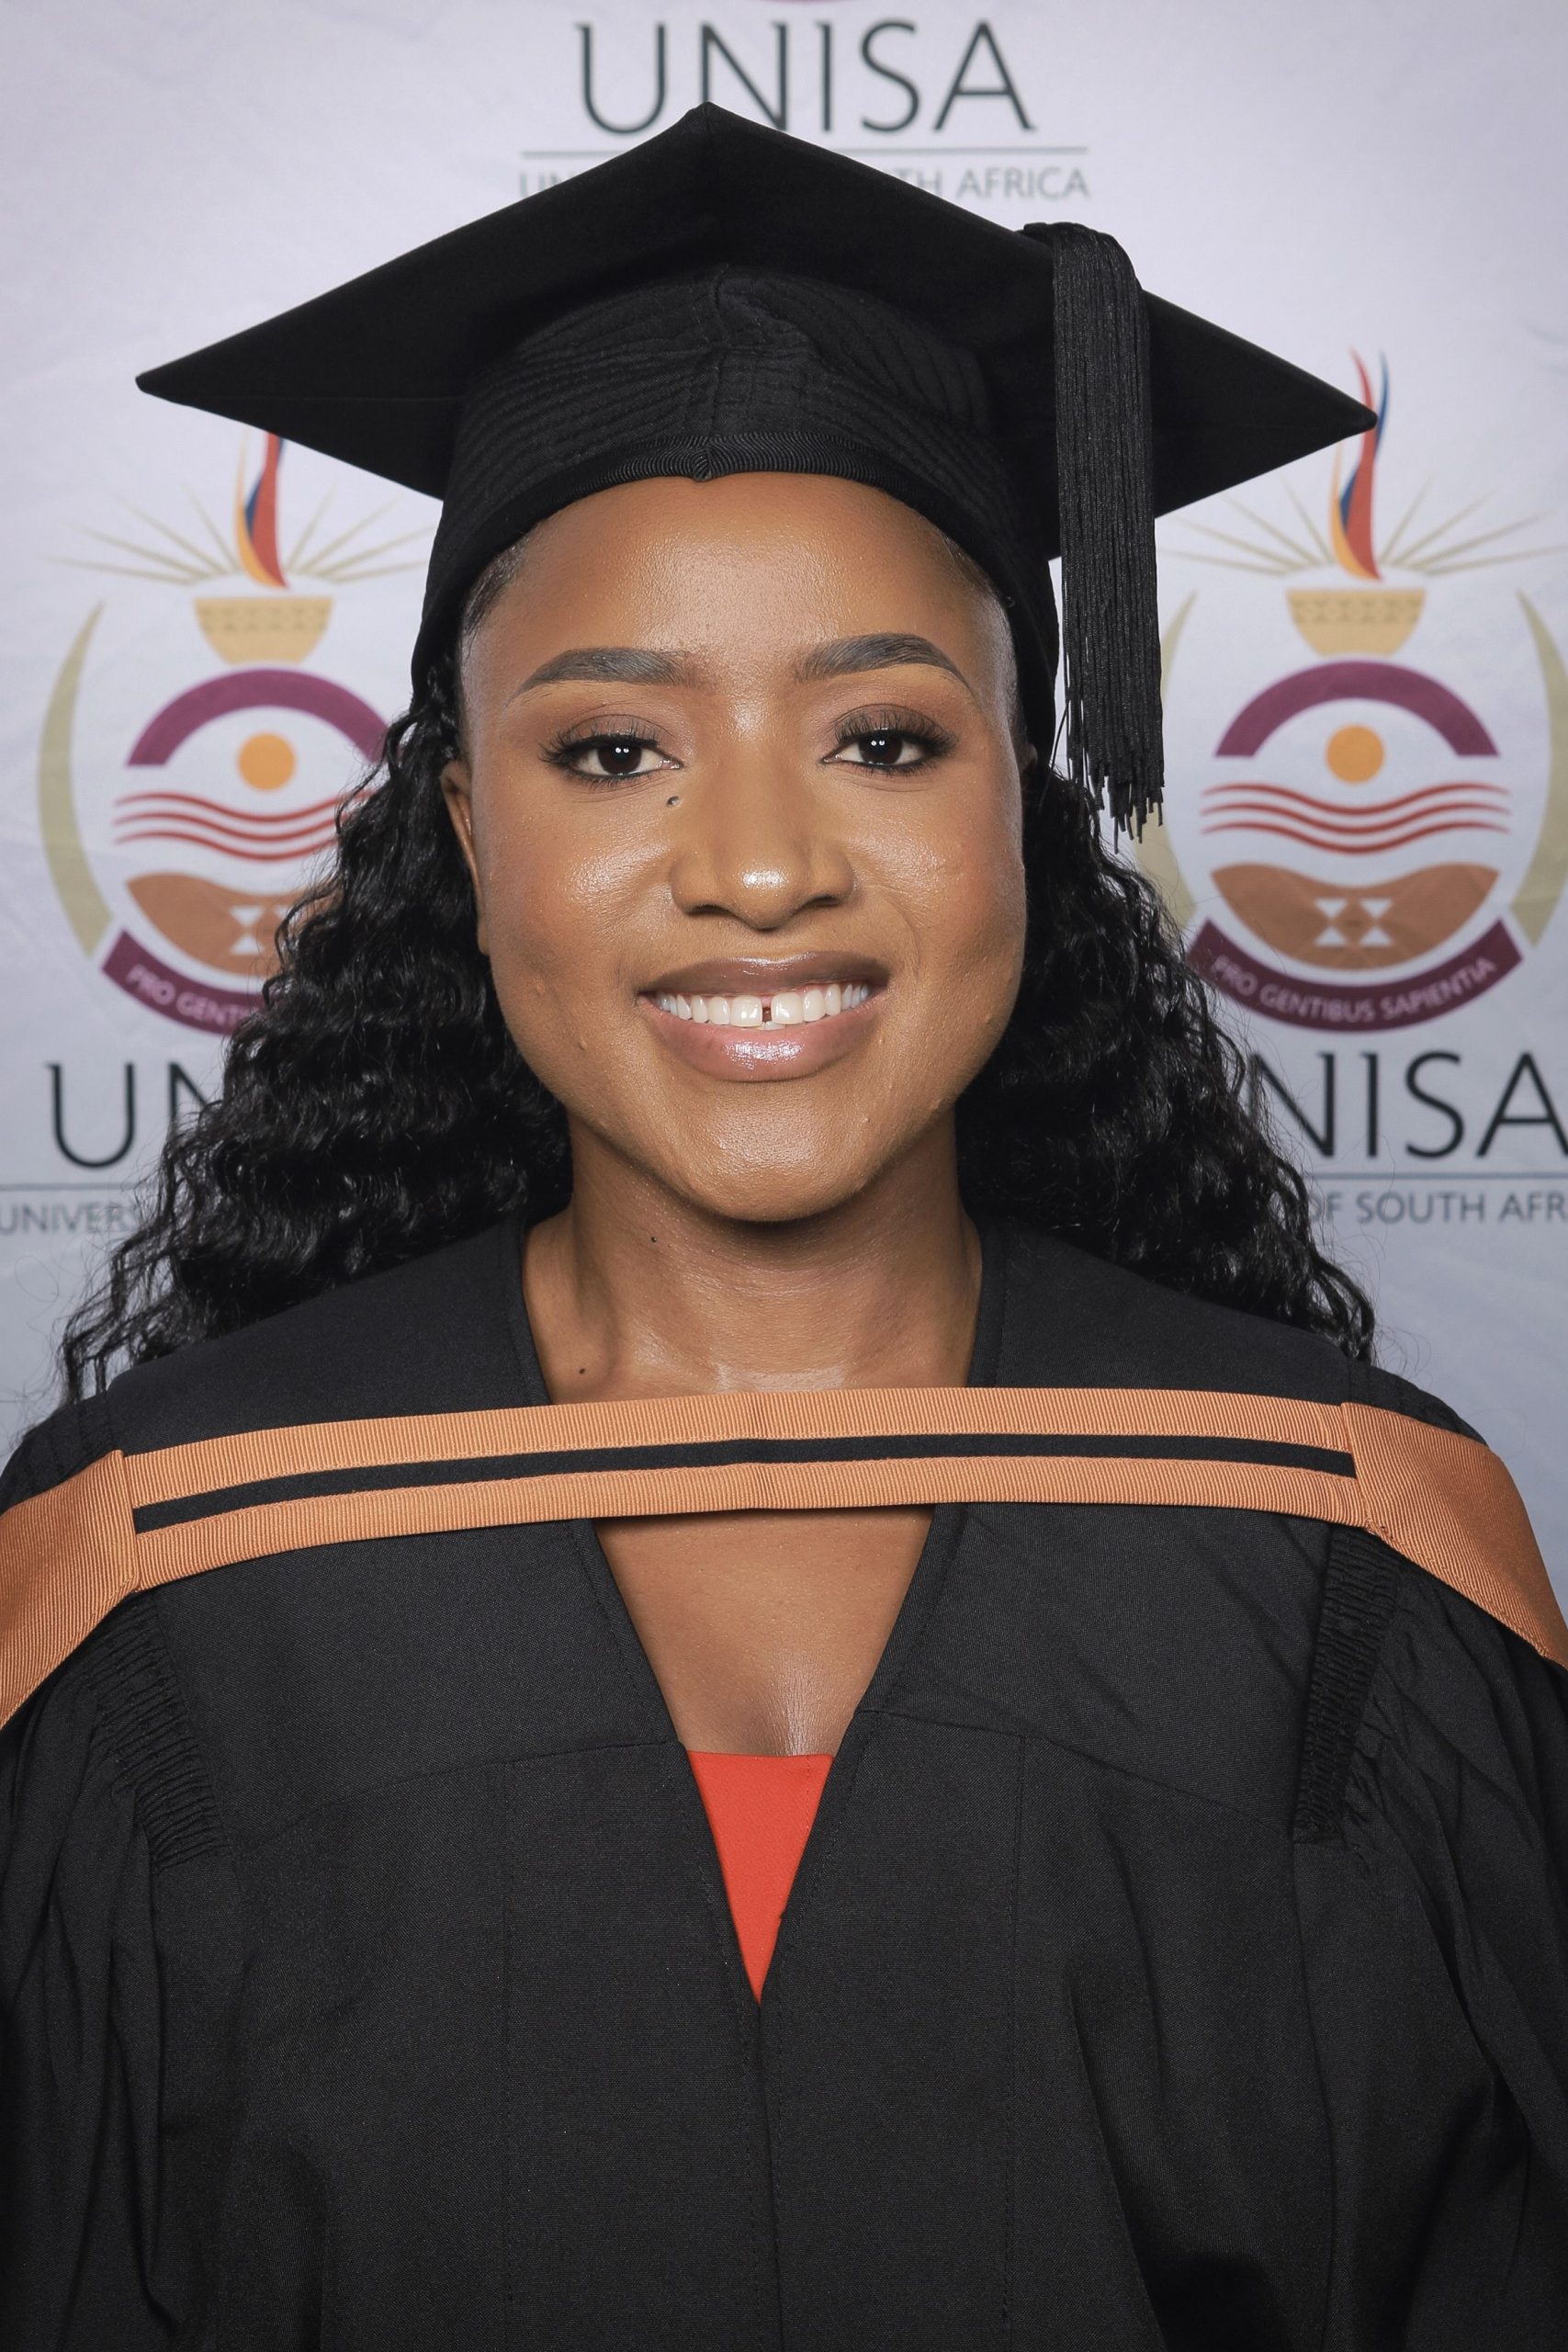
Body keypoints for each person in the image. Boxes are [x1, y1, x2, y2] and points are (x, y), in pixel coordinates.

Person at [2, 104, 1564, 2350]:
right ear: (467, 829)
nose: (755, 865)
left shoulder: (1341, 1555)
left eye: (884, 741)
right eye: (609, 751)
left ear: (1027, 801)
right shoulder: (158, 1569)